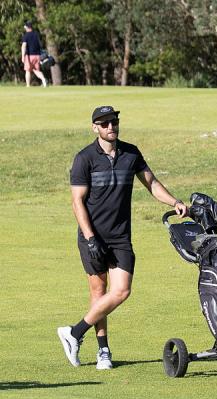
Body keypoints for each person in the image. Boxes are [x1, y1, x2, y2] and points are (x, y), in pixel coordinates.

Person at [58, 106, 187, 369]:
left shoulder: (131, 153)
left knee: (121, 291)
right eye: (104, 124)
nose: (110, 127)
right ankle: (103, 352)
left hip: (120, 237)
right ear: (95, 128)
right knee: (99, 292)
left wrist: (174, 201)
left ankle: (74, 332)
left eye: (114, 122)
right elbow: (77, 202)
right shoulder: (85, 158)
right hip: (93, 236)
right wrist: (90, 237)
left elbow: (151, 183)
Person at [20, 21, 47, 87]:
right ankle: (43, 79)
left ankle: (28, 85)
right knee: (36, 70)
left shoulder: (26, 35)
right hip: (37, 55)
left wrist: (23, 56)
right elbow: (40, 44)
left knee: (28, 70)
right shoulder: (36, 34)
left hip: (29, 56)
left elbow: (24, 46)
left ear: (27, 27)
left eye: (25, 27)